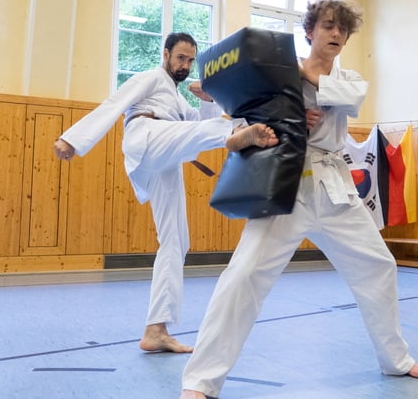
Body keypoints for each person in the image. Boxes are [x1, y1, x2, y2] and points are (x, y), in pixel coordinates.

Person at [179, 0, 418, 398]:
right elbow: (240, 132)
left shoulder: (345, 77)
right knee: (244, 275)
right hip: (287, 187)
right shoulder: (273, 79)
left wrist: (299, 79)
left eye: (343, 30)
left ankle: (396, 362)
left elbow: (351, 98)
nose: (336, 34)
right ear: (310, 32)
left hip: (336, 190)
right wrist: (285, 117)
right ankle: (200, 382)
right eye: (328, 26)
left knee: (379, 265)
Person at [53, 32, 278, 354]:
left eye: (190, 61)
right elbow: (114, 103)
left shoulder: (177, 98)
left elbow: (197, 125)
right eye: (180, 58)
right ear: (166, 54)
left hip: (166, 153)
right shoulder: (149, 78)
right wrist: (73, 140)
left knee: (176, 240)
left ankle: (156, 329)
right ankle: (235, 133)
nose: (185, 65)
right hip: (147, 135)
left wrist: (207, 99)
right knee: (222, 131)